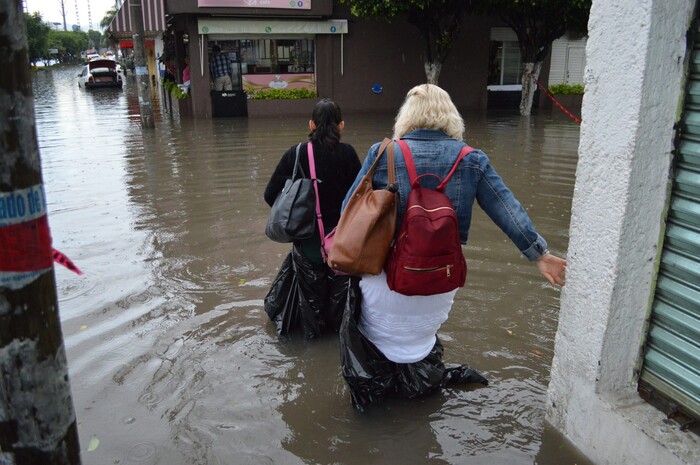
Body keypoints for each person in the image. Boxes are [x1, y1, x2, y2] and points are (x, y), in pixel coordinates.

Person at [339, 84, 567, 411]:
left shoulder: (383, 152)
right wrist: (540, 255)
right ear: (451, 116)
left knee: (372, 342)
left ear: (407, 116)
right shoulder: (471, 159)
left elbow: (348, 209)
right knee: (418, 341)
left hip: (385, 283)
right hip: (439, 285)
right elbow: (507, 208)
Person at [264, 99, 362, 338]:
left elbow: (270, 195)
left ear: (311, 124)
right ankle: (339, 343)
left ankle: (313, 342)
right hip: (342, 244)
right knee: (341, 302)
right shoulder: (348, 154)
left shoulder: (296, 154)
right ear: (341, 126)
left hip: (309, 243)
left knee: (311, 302)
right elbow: (363, 199)